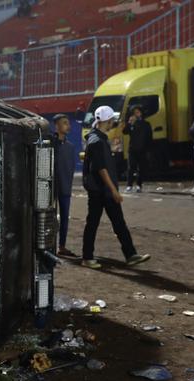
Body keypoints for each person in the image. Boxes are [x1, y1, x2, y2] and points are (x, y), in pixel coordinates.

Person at [81, 105, 151, 269]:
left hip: (102, 190)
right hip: (101, 191)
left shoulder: (97, 138)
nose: (113, 122)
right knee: (95, 223)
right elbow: (101, 169)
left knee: (116, 222)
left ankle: (131, 254)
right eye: (112, 119)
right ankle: (87, 257)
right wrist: (113, 191)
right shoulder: (97, 141)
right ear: (108, 120)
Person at [51, 114, 76, 257]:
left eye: (68, 123)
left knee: (65, 217)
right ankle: (50, 246)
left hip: (65, 187)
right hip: (52, 188)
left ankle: (62, 246)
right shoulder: (50, 144)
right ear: (57, 126)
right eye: (64, 123)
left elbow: (71, 168)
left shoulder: (70, 147)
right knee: (51, 218)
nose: (68, 125)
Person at [121, 105, 153, 193]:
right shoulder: (132, 123)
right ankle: (129, 185)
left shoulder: (146, 124)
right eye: (135, 113)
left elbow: (149, 138)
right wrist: (129, 123)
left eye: (138, 112)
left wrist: (148, 150)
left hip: (143, 150)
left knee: (141, 168)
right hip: (132, 150)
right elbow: (124, 132)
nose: (137, 114)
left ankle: (139, 185)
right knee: (131, 167)